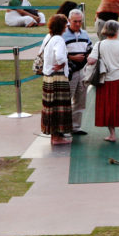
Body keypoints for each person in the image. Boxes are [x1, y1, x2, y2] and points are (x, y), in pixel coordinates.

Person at [87, 20, 119, 142]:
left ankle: (112, 134)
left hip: (104, 80)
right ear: (117, 30)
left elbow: (91, 60)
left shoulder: (99, 44)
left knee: (108, 107)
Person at [39, 14, 71, 145]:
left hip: (48, 77)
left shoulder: (49, 37)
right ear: (61, 26)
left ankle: (54, 136)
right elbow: (60, 56)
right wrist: (63, 62)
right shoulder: (59, 40)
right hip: (57, 77)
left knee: (50, 107)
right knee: (59, 107)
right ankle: (57, 137)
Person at [62, 9, 92, 136]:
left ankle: (75, 127)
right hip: (69, 72)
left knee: (80, 100)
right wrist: (72, 58)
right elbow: (58, 53)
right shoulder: (62, 35)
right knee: (66, 100)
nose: (78, 24)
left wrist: (89, 56)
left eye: (80, 21)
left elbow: (90, 48)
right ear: (69, 21)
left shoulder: (84, 34)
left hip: (82, 71)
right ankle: (64, 128)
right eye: (75, 22)